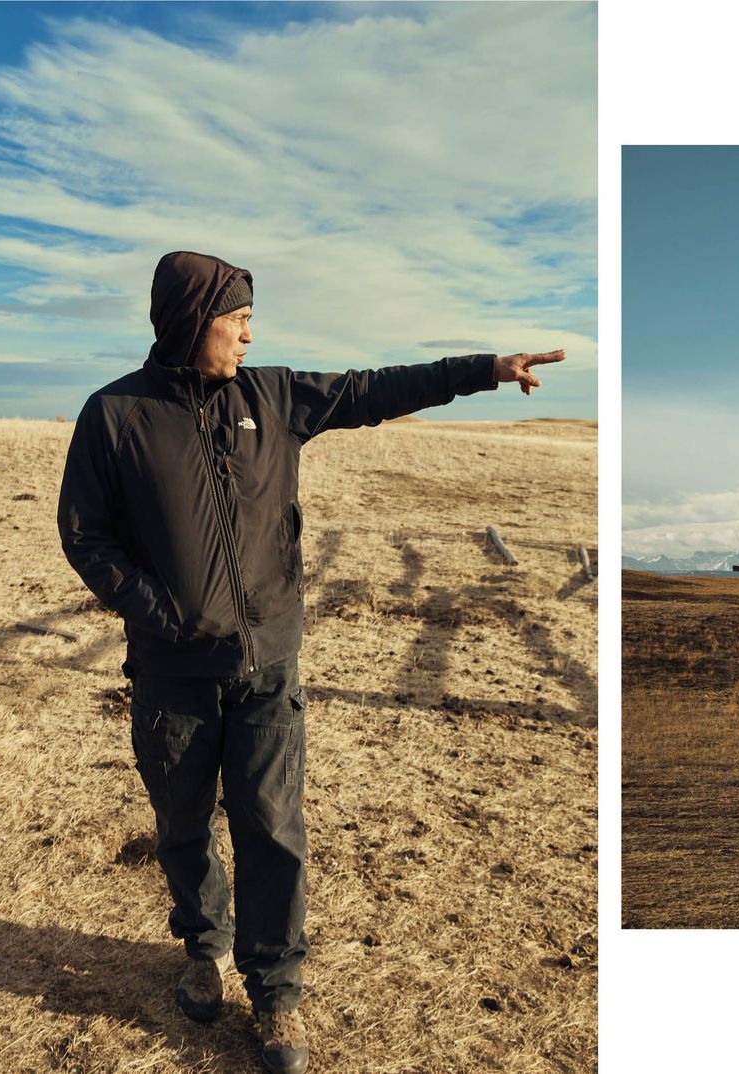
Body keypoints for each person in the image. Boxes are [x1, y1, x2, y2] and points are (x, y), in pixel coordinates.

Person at [57, 251, 563, 1074]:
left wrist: (487, 369)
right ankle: (203, 947)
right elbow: (86, 535)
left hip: (267, 665)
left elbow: (376, 389)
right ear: (193, 322)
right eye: (238, 319)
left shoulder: (274, 397)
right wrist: (163, 613)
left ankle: (277, 994)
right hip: (171, 673)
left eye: (252, 319)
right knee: (183, 825)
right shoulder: (115, 415)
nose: (251, 335)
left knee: (272, 829)